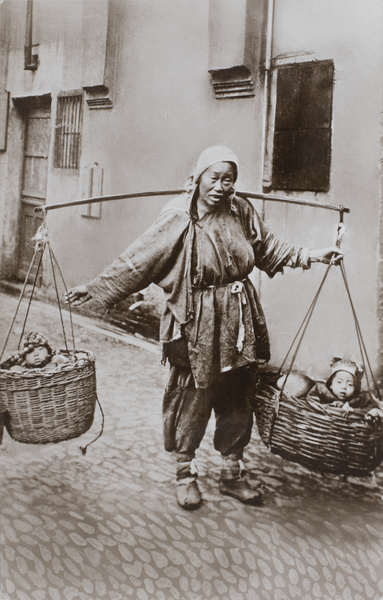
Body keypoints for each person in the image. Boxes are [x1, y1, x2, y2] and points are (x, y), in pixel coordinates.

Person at [65, 146, 342, 510]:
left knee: (238, 394)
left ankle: (231, 473)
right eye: (214, 177)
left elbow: (270, 249)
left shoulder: (242, 210)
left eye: (229, 179)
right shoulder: (180, 216)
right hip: (195, 320)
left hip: (240, 317)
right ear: (198, 178)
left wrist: (312, 254)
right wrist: (98, 286)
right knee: (193, 397)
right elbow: (139, 260)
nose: (221, 186)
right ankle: (185, 473)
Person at [306, 357, 383, 417]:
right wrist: (329, 407)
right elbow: (311, 399)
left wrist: (353, 411)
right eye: (339, 382)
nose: (344, 387)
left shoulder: (358, 400)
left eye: (350, 384)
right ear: (331, 385)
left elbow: (369, 407)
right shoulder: (322, 391)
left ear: (355, 388)